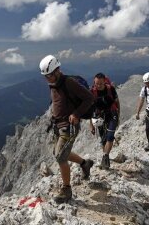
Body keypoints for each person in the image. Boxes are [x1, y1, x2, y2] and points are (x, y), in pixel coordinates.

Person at [41, 55, 95, 203]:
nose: (47, 78)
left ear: (57, 70)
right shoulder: (54, 84)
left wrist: (76, 114)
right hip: (58, 125)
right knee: (60, 152)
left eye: (50, 75)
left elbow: (89, 98)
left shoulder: (69, 83)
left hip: (69, 126)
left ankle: (66, 190)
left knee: (60, 156)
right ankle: (85, 163)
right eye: (45, 76)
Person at [89, 73, 120, 169]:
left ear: (104, 82)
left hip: (112, 113)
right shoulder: (92, 92)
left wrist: (118, 116)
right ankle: (105, 158)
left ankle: (105, 156)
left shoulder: (110, 89)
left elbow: (117, 102)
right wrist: (91, 125)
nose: (98, 86)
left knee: (110, 136)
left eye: (100, 84)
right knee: (103, 139)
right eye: (96, 84)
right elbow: (90, 109)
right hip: (99, 116)